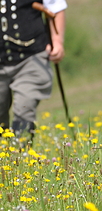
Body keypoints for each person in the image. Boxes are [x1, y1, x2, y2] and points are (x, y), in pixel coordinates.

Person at [0, 0, 67, 142]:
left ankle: (20, 156)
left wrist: (57, 42)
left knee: (25, 107)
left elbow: (55, 8)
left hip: (31, 58)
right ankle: (4, 155)